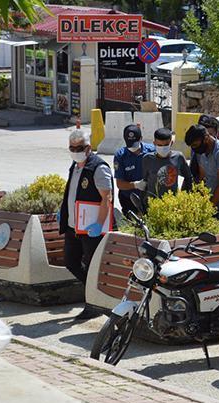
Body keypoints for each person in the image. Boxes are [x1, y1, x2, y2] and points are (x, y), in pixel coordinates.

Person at [59, 129, 114, 320]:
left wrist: (99, 223)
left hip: (91, 229)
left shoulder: (98, 167)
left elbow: (106, 198)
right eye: (72, 148)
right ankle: (95, 292)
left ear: (89, 148)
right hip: (74, 226)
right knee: (71, 262)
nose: (75, 151)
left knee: (91, 266)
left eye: (79, 148)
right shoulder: (74, 166)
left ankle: (93, 304)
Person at [185, 124, 219, 219]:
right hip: (210, 202)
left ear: (206, 138)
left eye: (195, 145)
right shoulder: (201, 151)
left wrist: (207, 208)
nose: (193, 149)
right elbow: (202, 178)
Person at [113, 124, 155, 217]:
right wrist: (136, 185)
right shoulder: (120, 156)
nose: (132, 147)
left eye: (134, 144)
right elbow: (119, 184)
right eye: (129, 143)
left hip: (150, 198)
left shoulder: (152, 151)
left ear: (141, 138)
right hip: (129, 199)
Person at [141, 127, 193, 201]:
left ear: (171, 143)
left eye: (166, 145)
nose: (163, 148)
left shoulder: (178, 157)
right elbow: (144, 182)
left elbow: (189, 178)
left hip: (172, 203)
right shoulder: (147, 159)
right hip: (152, 204)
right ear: (154, 143)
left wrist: (183, 197)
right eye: (159, 145)